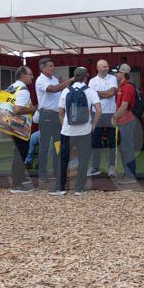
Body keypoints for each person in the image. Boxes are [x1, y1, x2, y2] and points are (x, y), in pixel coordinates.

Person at [51, 67, 101, 196]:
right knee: (83, 159)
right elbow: (99, 110)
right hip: (85, 131)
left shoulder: (66, 91)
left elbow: (61, 112)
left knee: (63, 159)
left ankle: (60, 188)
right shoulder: (91, 91)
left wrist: (64, 126)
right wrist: (93, 125)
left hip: (68, 131)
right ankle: (79, 189)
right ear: (86, 77)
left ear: (74, 76)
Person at [35, 58, 74, 184]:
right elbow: (53, 89)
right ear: (43, 68)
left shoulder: (54, 79)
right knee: (44, 145)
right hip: (46, 114)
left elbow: (58, 89)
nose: (53, 68)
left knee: (58, 144)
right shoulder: (40, 80)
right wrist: (70, 80)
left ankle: (58, 171)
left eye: (53, 65)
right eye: (50, 66)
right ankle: (42, 174)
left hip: (56, 115)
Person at [7, 65, 36, 194]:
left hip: (10, 123)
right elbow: (18, 109)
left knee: (17, 152)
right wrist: (32, 109)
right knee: (20, 154)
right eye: (30, 74)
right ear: (23, 76)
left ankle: (20, 179)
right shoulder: (23, 90)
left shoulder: (12, 87)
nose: (32, 77)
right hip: (19, 126)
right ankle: (16, 184)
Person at [87, 59, 118, 178]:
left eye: (107, 66)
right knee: (95, 141)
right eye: (104, 66)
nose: (107, 68)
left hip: (111, 113)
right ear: (98, 67)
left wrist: (96, 93)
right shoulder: (92, 81)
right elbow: (90, 97)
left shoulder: (112, 78)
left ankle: (112, 167)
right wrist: (101, 93)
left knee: (111, 140)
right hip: (96, 114)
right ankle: (95, 167)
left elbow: (111, 93)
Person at [111, 64, 140, 184]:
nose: (115, 74)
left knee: (127, 149)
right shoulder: (121, 87)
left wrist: (114, 117)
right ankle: (127, 173)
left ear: (123, 73)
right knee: (124, 149)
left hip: (127, 121)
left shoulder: (127, 87)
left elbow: (124, 106)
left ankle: (130, 176)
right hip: (123, 121)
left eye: (117, 72)